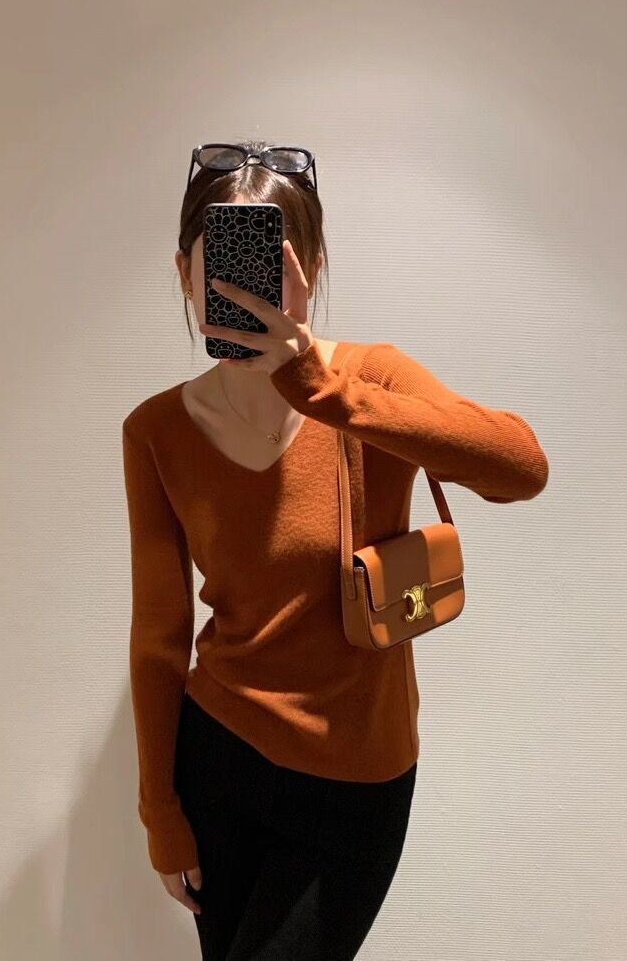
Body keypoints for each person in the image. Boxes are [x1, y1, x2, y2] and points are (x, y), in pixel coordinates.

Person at [121, 140, 550, 960]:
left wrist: (322, 388)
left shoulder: (370, 381)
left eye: (272, 261)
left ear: (311, 268)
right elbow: (159, 636)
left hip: (360, 779)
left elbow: (521, 467)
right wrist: (160, 810)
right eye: (224, 261)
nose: (248, 285)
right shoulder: (156, 431)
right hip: (220, 764)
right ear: (184, 273)